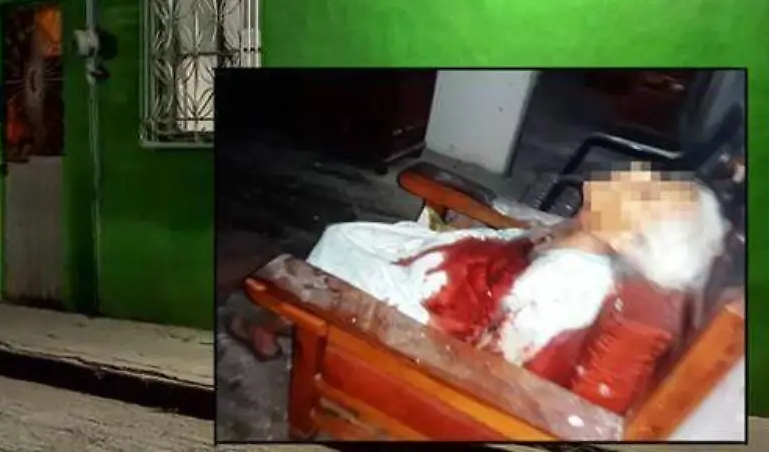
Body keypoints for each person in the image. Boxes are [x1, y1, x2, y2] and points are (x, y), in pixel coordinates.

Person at [230, 165, 729, 414]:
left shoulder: (569, 287)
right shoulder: (585, 239)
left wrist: (450, 276)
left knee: (338, 247)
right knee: (352, 236)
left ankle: (276, 320)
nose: (637, 174)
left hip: (430, 322)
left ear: (626, 240)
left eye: (645, 192)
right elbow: (526, 249)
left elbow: (494, 357)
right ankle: (281, 323)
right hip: (467, 274)